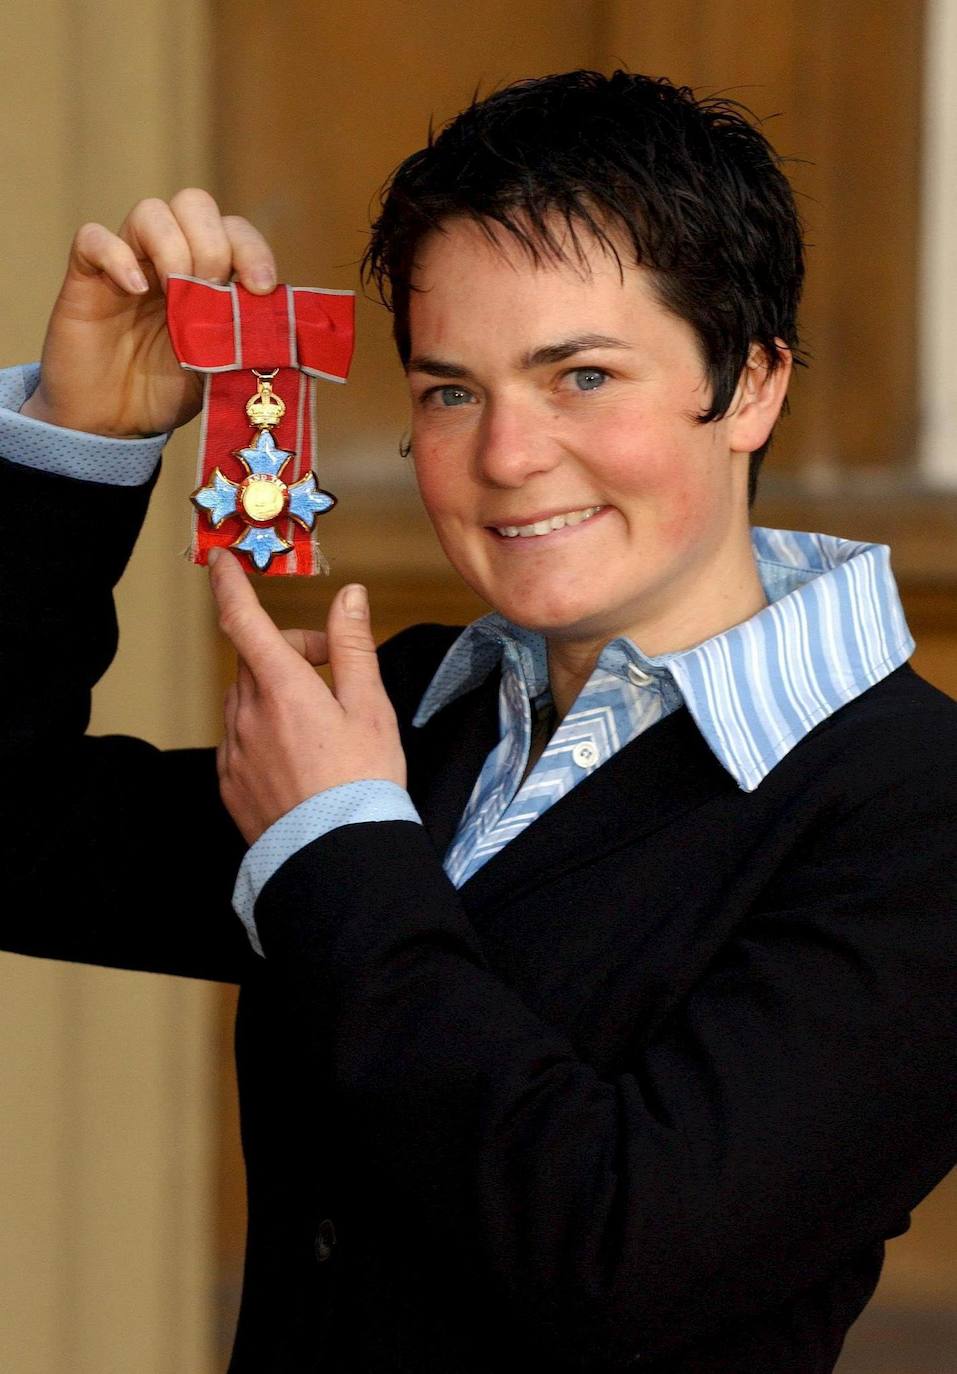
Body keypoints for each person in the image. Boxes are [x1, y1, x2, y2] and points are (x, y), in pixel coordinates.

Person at [2, 69, 956, 1374]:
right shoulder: (412, 709)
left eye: (579, 374)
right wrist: (78, 447)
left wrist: (338, 842)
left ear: (749, 384)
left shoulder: (913, 809)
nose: (505, 453)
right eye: (451, 389)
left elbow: (617, 1259)